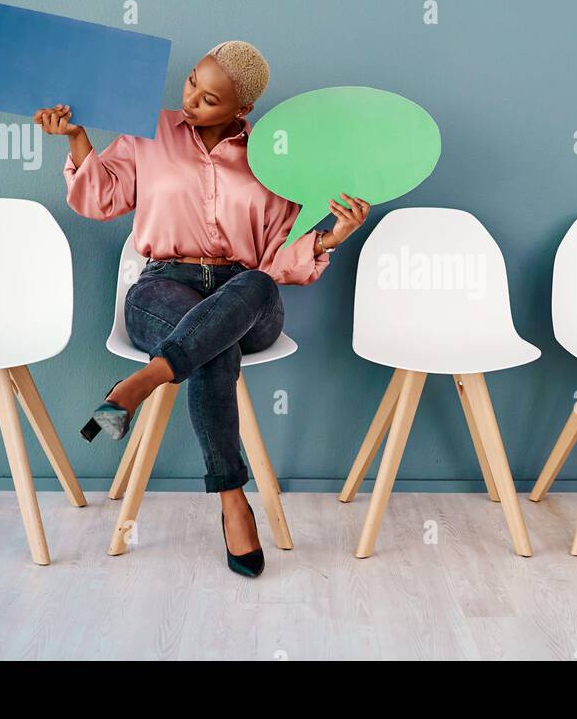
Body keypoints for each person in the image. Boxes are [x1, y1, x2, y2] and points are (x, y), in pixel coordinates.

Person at [34, 41, 370, 577]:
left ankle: (144, 384)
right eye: (192, 82)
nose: (190, 100)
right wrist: (77, 138)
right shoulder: (151, 131)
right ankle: (234, 501)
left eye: (209, 98)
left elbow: (279, 256)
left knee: (255, 287)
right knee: (214, 348)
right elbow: (100, 200)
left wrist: (330, 238)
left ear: (241, 112)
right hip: (163, 286)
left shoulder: (272, 157)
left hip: (244, 292)